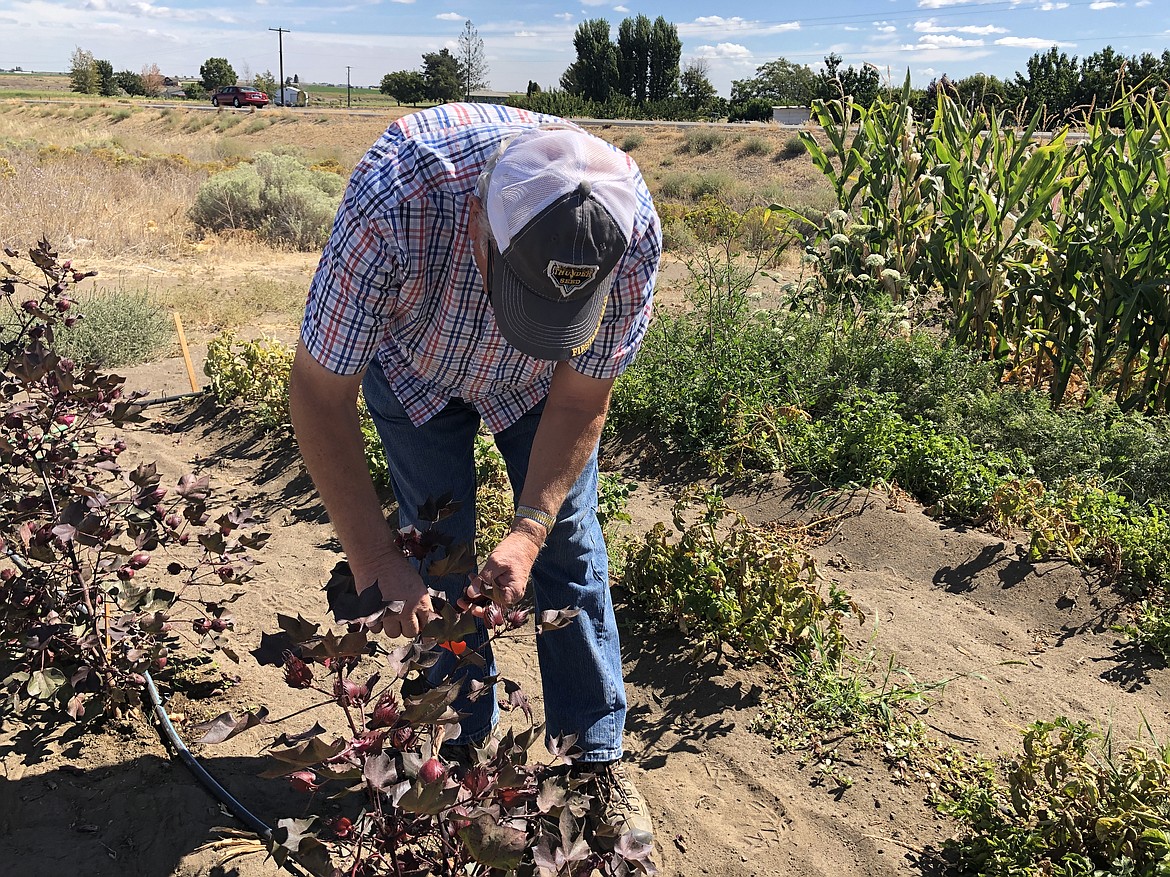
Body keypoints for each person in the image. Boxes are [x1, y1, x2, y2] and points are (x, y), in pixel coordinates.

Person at [288, 102, 661, 846]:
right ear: (478, 231)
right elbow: (318, 394)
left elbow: (584, 392)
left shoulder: (629, 232)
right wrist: (375, 559)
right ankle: (455, 744)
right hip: (416, 369)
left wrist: (528, 528)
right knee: (434, 550)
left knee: (567, 543)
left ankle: (593, 760)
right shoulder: (395, 201)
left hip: (539, 392)